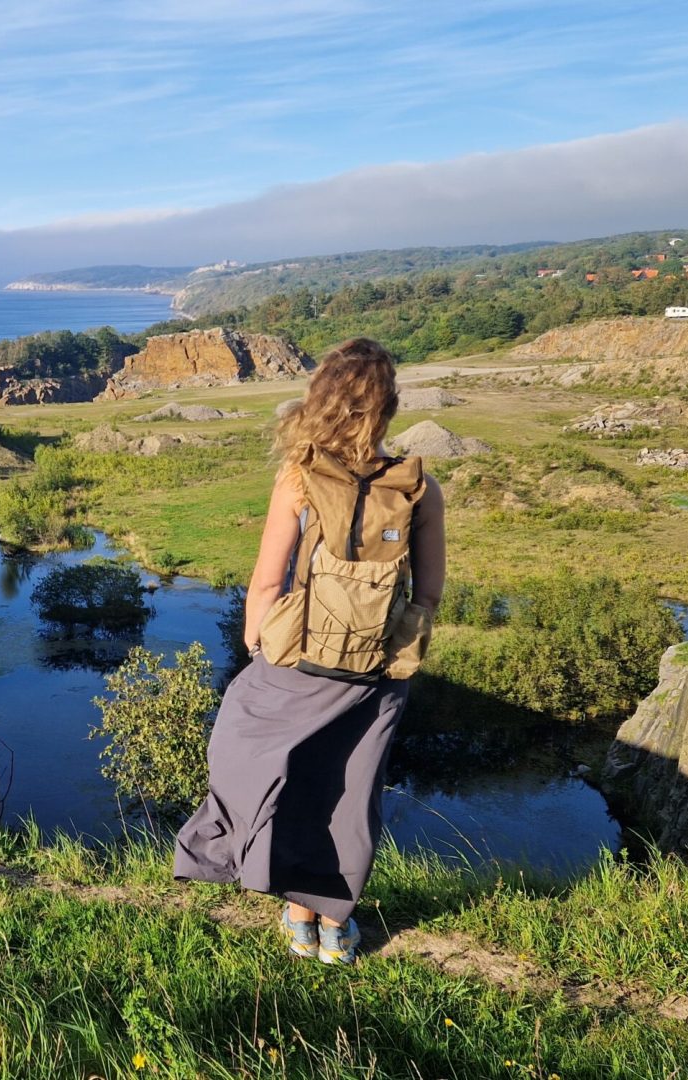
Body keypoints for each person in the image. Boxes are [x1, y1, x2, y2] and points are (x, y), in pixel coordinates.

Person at [172, 337, 444, 965]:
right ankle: (334, 929)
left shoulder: (298, 476)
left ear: (322, 401)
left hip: (296, 661)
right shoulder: (418, 488)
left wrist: (256, 653)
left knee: (263, 768)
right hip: (377, 670)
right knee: (349, 792)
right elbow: (427, 591)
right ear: (388, 409)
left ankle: (294, 917)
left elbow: (267, 582)